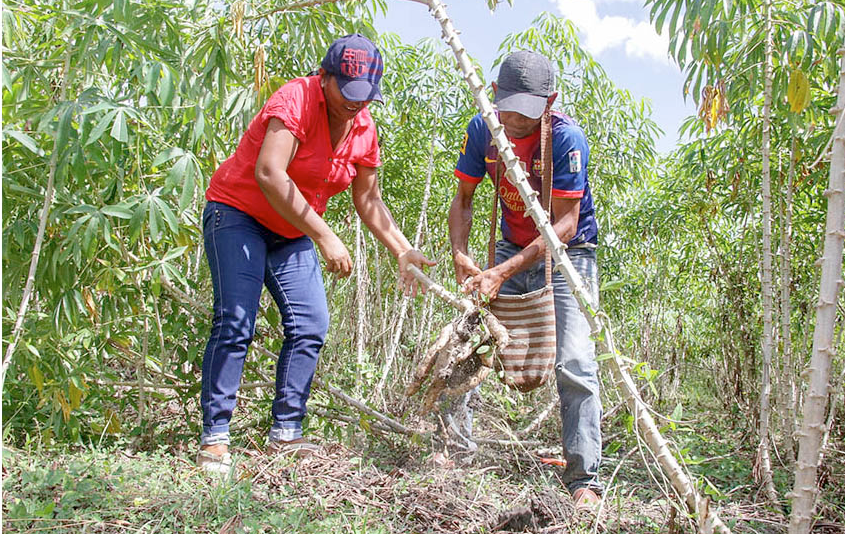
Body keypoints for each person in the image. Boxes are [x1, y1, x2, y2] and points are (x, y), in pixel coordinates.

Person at [196, 34, 434, 473]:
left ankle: (286, 432)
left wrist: (402, 249)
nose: (353, 105)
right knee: (236, 321)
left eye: (364, 97)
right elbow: (269, 173)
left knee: (310, 324)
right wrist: (325, 236)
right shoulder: (296, 100)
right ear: (324, 76)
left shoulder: (363, 127)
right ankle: (215, 437)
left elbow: (368, 200)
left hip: (290, 231)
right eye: (345, 93)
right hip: (237, 215)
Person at [447, 50, 604, 508]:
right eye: (508, 106)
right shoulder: (483, 130)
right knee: (470, 340)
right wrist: (461, 253)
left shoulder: (566, 138)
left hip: (570, 253)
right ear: (493, 95)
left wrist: (502, 271)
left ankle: (584, 480)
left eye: (528, 110)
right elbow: (464, 197)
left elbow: (565, 226)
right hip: (512, 248)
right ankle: (454, 450)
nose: (515, 119)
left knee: (575, 360)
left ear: (550, 101)